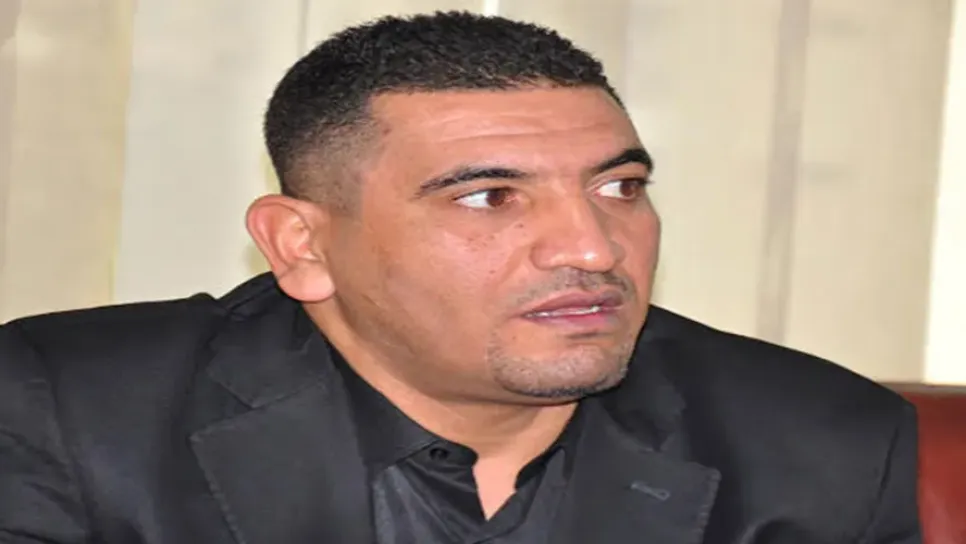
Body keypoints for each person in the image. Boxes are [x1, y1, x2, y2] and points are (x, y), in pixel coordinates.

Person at [0, 11, 920, 544]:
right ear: (301, 247)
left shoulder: (819, 444)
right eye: (488, 198)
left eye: (620, 187)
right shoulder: (68, 413)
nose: (593, 248)